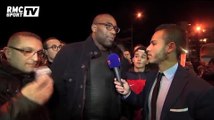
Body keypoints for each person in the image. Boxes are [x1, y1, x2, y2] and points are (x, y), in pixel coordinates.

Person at [114, 24, 214, 120]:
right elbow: (142, 101)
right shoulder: (151, 76)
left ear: (170, 47)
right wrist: (127, 92)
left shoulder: (201, 89)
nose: (148, 48)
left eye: (153, 43)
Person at [50, 13, 129, 120]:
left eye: (115, 29)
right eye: (108, 26)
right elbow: (53, 93)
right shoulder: (70, 52)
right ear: (94, 28)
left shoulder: (118, 55)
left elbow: (124, 92)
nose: (113, 32)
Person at [0, 31, 53, 120]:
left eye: (39, 53)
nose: (36, 59)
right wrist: (25, 101)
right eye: (27, 51)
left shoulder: (37, 76)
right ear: (8, 53)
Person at [122, 46, 148, 120]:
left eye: (143, 57)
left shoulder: (151, 77)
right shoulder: (125, 75)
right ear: (133, 59)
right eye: (136, 56)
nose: (139, 59)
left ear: (147, 61)